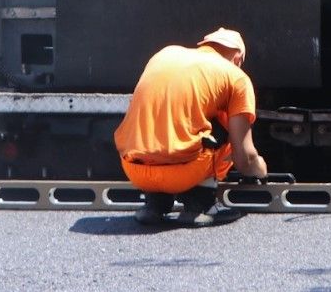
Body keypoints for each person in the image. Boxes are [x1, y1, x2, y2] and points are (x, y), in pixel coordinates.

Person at [113, 28, 268, 227]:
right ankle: (201, 205)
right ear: (238, 57)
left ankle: (155, 205)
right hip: (185, 173)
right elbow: (244, 156)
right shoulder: (236, 76)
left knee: (164, 120)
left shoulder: (165, 54)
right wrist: (259, 170)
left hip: (134, 169)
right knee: (226, 124)